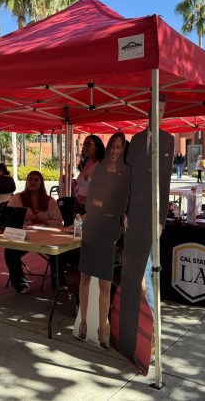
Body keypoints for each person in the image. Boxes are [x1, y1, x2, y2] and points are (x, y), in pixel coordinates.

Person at [118, 94, 174, 363]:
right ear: (148, 110)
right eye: (155, 108)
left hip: (153, 215)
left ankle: (150, 335)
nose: (159, 113)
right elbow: (128, 179)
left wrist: (162, 218)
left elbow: (164, 183)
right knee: (132, 271)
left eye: (162, 109)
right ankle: (132, 329)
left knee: (149, 270)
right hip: (134, 215)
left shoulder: (168, 140)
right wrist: (124, 211)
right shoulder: (136, 141)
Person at [77, 132, 131, 349]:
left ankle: (102, 327)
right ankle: (83, 322)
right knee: (85, 277)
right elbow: (89, 199)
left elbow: (121, 203)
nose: (116, 150)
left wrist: (103, 205)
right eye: (113, 146)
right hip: (92, 227)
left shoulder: (126, 172)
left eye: (120, 147)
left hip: (108, 229)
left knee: (105, 283)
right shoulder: (99, 169)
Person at [4, 171, 63, 293]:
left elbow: (59, 223)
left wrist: (43, 220)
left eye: (36, 179)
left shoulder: (50, 201)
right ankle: (20, 283)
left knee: (56, 253)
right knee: (10, 252)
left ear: (41, 183)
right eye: (30, 179)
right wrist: (25, 218)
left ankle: (59, 283)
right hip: (24, 237)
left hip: (46, 238)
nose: (33, 182)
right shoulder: (17, 198)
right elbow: (7, 218)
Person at [75, 135, 105, 214]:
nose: (85, 146)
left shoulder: (101, 164)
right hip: (79, 205)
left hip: (92, 207)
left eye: (88, 143)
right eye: (84, 144)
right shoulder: (87, 162)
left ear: (97, 146)